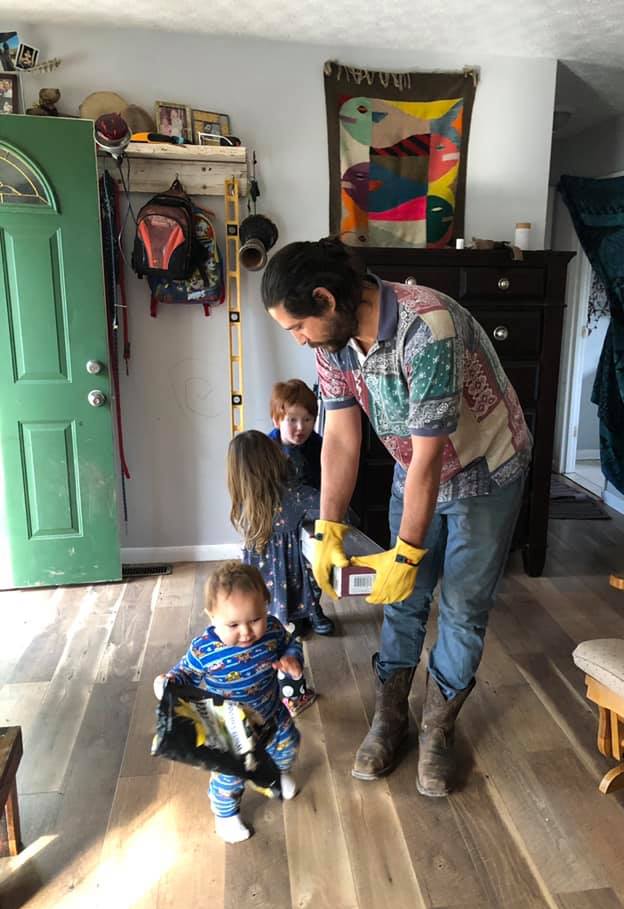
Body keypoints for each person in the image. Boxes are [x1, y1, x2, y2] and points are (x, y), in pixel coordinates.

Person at [261, 237, 531, 798]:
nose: (298, 338)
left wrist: (406, 553)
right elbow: (341, 435)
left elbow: (432, 455)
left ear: (325, 299)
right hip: (418, 469)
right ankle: (391, 716)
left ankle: (437, 729)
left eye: (297, 326)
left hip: (485, 470)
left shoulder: (426, 327)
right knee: (403, 600)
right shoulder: (334, 342)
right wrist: (328, 529)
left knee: (462, 606)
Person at [153, 562, 302, 842]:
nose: (246, 632)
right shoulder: (204, 650)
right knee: (230, 776)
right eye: (233, 625)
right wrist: (167, 683)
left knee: (288, 744)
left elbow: (290, 644)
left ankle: (274, 775)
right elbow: (184, 673)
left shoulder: (272, 630)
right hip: (229, 728)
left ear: (266, 606)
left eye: (255, 619)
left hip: (271, 713)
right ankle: (225, 814)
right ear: (212, 617)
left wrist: (292, 659)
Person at [228, 429, 335, 651]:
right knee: (312, 569)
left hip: (267, 572)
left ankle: (298, 616)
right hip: (287, 569)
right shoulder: (293, 495)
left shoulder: (244, 502)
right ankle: (303, 616)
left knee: (270, 599)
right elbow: (332, 509)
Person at [268, 378, 323, 490]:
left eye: (307, 419)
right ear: (277, 421)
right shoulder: (266, 450)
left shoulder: (320, 447)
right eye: (293, 420)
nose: (300, 427)